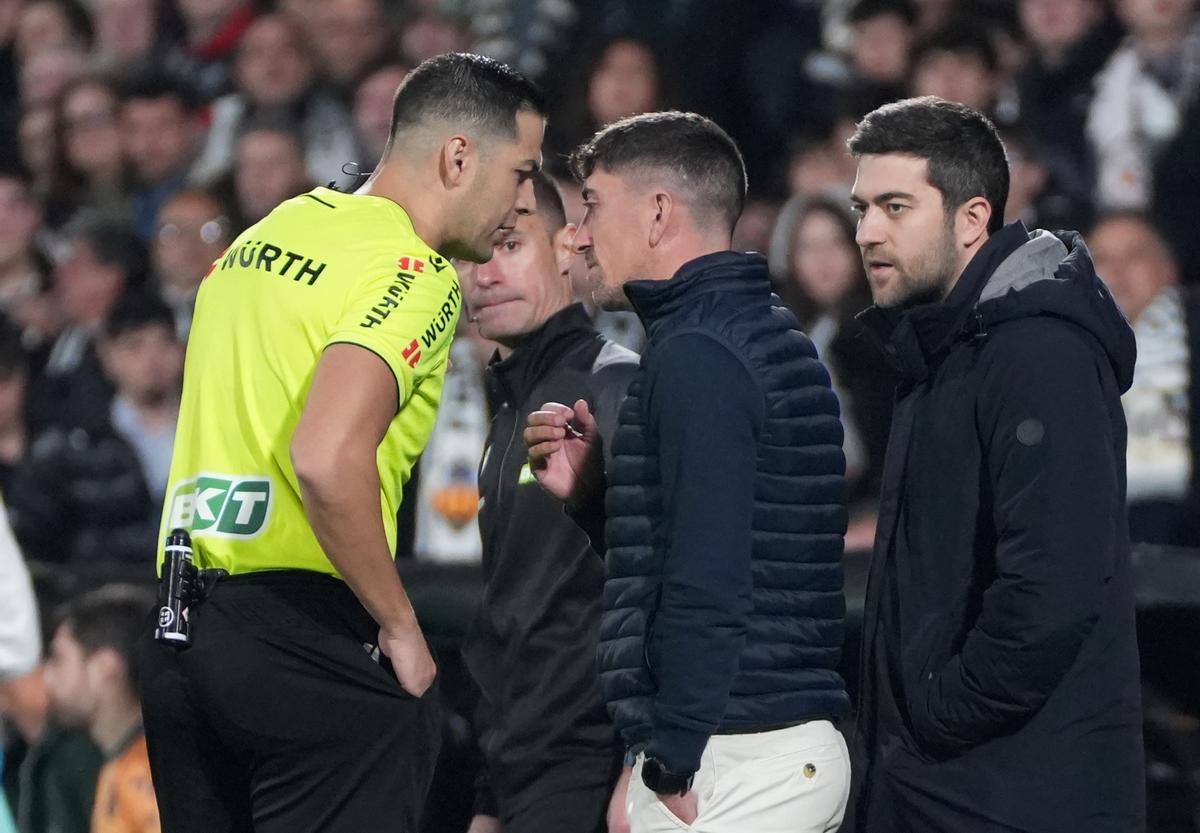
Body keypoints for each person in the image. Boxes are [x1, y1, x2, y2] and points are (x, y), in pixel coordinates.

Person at [138, 52, 545, 833]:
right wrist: (400, 624)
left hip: (181, 634)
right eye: (521, 171)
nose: (522, 200)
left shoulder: (266, 234)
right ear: (459, 156)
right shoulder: (412, 269)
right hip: (308, 640)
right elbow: (324, 459)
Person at [525, 111, 851, 833]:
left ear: (659, 213)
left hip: (731, 753)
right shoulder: (755, 334)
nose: (578, 234)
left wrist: (670, 756)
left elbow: (712, 573)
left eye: (592, 207)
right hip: (761, 743)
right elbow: (737, 544)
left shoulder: (699, 352)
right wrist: (595, 499)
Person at [846, 96, 1144, 832]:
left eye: (894, 206)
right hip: (953, 789)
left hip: (1011, 795)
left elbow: (1052, 586)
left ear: (972, 217)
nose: (867, 232)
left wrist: (940, 710)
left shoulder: (1038, 352)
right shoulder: (946, 346)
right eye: (860, 209)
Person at [460, 172, 637, 833]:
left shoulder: (612, 383)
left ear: (569, 245)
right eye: (470, 253)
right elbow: (505, 611)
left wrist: (643, 759)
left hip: (589, 763)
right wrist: (488, 795)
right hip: (520, 768)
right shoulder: (504, 411)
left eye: (507, 244)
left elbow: (656, 585)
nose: (484, 273)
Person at [1088, 211, 1200, 547]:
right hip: (1092, 531)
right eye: (1101, 259)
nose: (1117, 273)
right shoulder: (1054, 346)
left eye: (1135, 256)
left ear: (1168, 269)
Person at [43, 585, 160, 833]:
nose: (47, 678)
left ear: (105, 667)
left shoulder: (145, 775)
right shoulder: (118, 766)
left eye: (58, 659)